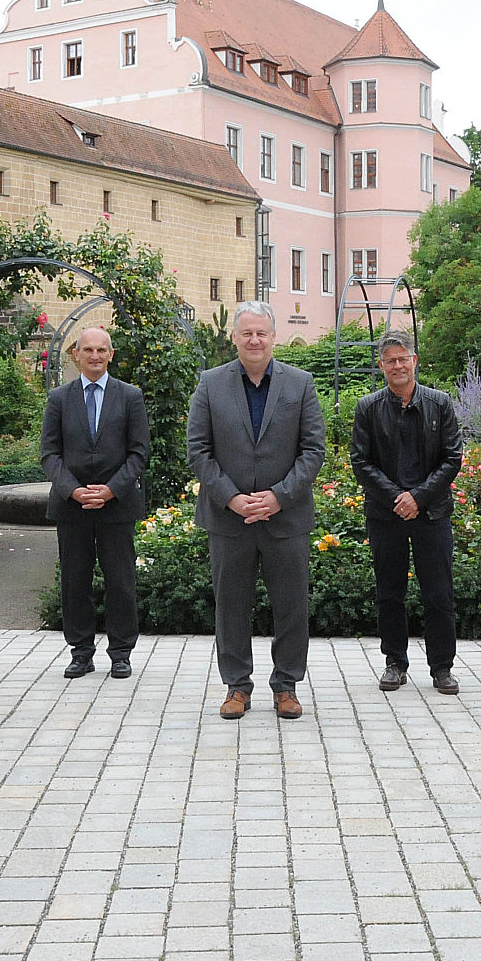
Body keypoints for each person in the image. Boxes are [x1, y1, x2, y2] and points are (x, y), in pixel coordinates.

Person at [186, 302, 325, 721]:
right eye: (246, 333)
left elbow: (313, 450)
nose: (254, 340)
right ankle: (236, 686)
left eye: (261, 332)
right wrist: (231, 497)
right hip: (229, 518)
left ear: (273, 335)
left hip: (286, 517)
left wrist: (279, 496)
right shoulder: (210, 384)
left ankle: (287, 686)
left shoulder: (300, 384)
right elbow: (199, 450)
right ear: (234, 337)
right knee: (231, 604)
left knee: (291, 605)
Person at [351, 331, 464, 695]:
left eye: (403, 358)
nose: (398, 365)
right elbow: (361, 461)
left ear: (415, 361)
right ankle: (394, 663)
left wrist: (418, 497)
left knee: (439, 593)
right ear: (381, 366)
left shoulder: (440, 403)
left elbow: (452, 459)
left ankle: (442, 667)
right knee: (389, 592)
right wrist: (396, 497)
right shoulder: (368, 408)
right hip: (387, 514)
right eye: (390, 360)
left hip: (431, 513)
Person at [41, 326, 150, 680]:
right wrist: (73, 489)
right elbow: (49, 454)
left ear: (111, 355)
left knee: (121, 581)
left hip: (116, 506)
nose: (95, 356)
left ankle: (121, 652)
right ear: (76, 354)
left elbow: (139, 453)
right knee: (75, 581)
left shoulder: (130, 396)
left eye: (102, 350)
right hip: (71, 507)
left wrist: (110, 490)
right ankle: (81, 652)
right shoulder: (59, 398)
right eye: (88, 350)